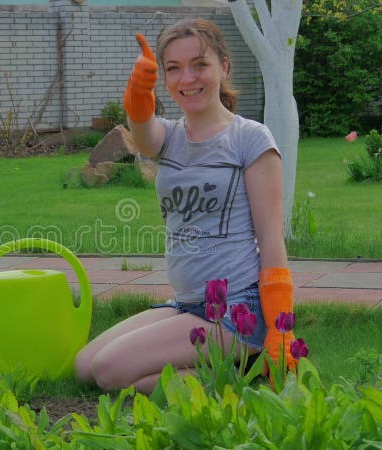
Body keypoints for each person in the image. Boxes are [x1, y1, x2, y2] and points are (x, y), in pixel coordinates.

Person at [74, 18, 297, 393]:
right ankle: (232, 369)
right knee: (85, 367)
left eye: (199, 65)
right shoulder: (170, 137)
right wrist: (138, 94)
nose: (187, 78)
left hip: (235, 310)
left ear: (223, 67)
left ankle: (248, 368)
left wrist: (281, 331)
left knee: (111, 371)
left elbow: (272, 240)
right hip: (186, 303)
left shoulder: (251, 139)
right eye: (173, 69)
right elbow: (143, 134)